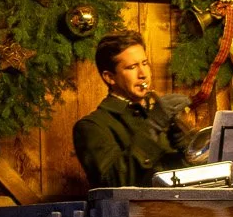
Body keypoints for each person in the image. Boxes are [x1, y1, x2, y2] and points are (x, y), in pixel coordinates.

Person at [73, 31, 192, 188]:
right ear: (109, 77)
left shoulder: (157, 114)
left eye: (145, 63)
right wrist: (153, 126)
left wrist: (185, 147)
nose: (143, 74)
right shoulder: (91, 126)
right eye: (132, 67)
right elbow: (113, 182)